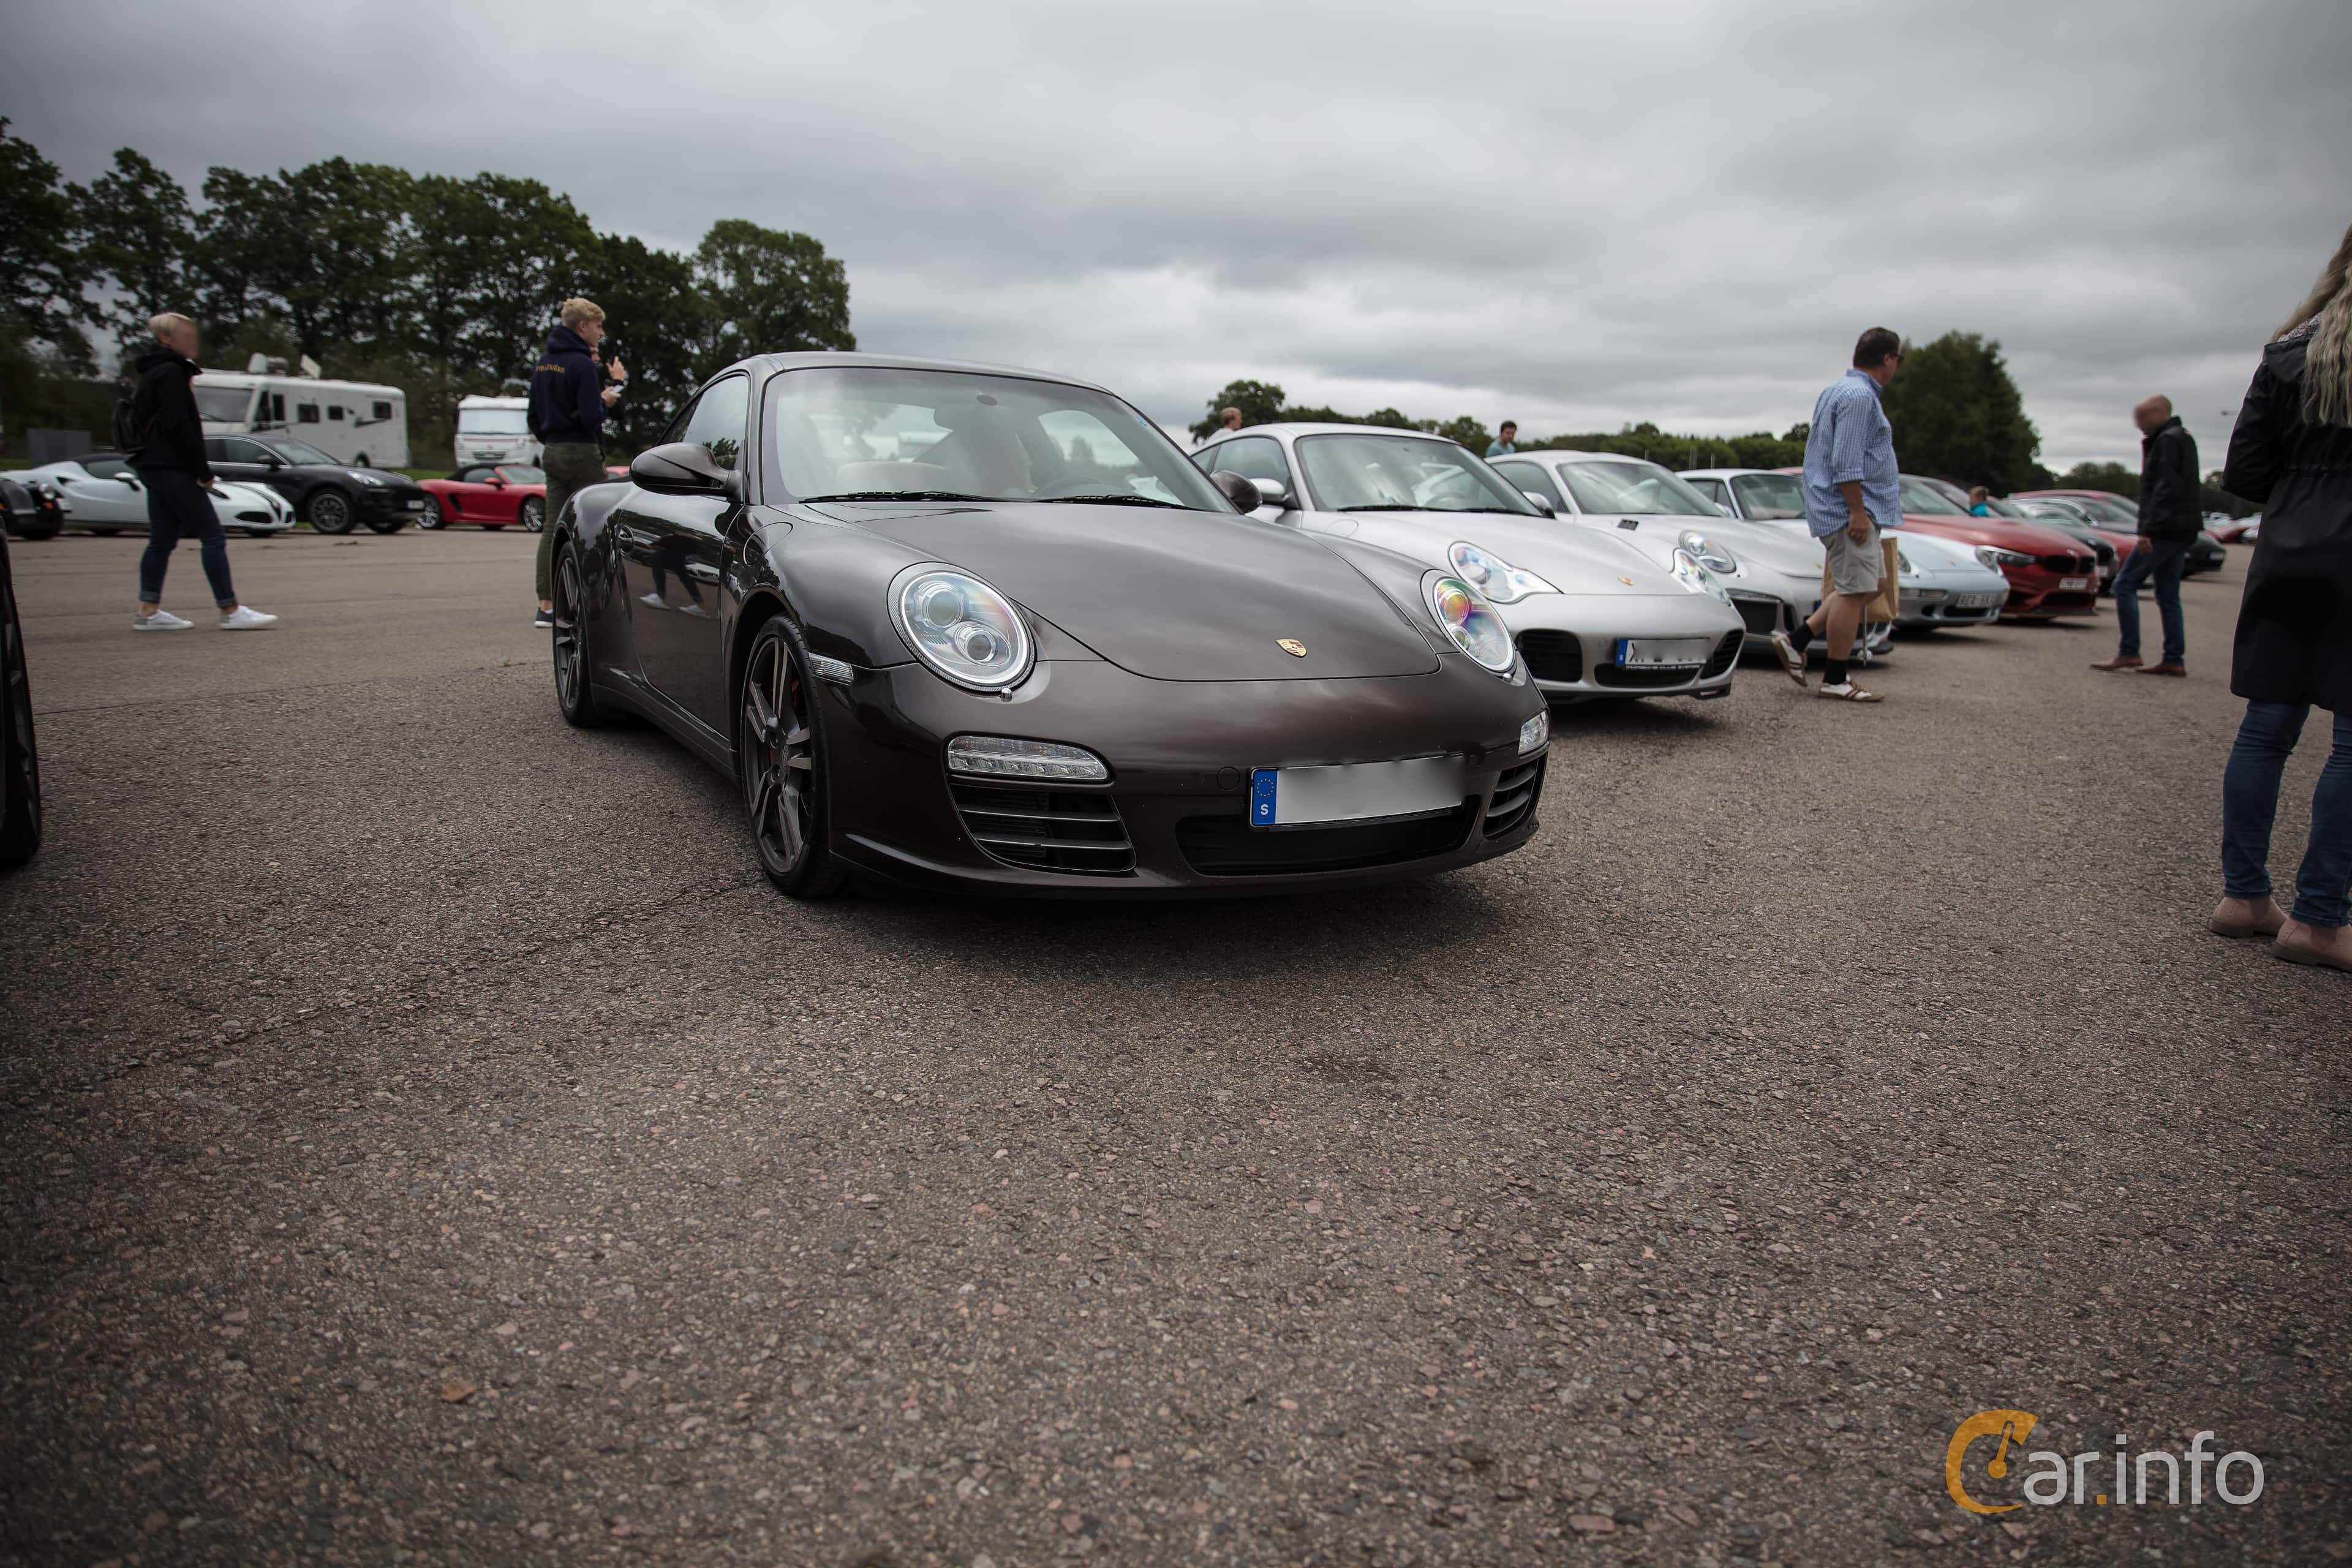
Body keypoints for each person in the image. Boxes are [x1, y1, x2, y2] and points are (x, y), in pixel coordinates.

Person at [2206, 219, 2352, 971]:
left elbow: (2247, 473)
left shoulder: (2288, 349)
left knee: (2268, 726)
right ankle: (2322, 919)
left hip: (2289, 547)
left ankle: (2245, 896)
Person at [1771, 327, 1903, 702]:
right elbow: (1846, 460)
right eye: (1898, 360)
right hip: (1849, 512)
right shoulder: (1860, 397)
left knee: (1872, 584)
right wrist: (1857, 511)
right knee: (1855, 590)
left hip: (1846, 508)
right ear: (1888, 358)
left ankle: (1797, 641)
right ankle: (1835, 678)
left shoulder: (1839, 390)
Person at [127, 313, 276, 631]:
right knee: (212, 534)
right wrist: (201, 470)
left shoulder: (153, 373)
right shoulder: (171, 373)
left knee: (162, 539)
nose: (193, 342)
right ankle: (230, 609)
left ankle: (148, 609)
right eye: (186, 336)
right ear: (166, 339)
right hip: (173, 466)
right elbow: (181, 426)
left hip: (153, 464)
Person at [527, 298, 626, 628]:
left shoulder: (543, 363)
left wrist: (553, 437)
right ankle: (595, 600)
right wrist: (606, 401)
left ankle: (546, 605)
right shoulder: (582, 364)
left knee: (551, 526)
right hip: (582, 451)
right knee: (598, 522)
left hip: (553, 450)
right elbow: (589, 416)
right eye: (598, 326)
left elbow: (534, 417)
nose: (601, 333)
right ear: (583, 326)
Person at [2091, 394, 2199, 676]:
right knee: (2168, 594)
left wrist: (2148, 530)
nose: (2137, 424)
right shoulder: (2181, 437)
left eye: (2141, 417)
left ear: (2159, 413)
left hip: (2165, 530)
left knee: (2124, 585)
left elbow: (2164, 489)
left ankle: (2129, 652)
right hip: (2182, 529)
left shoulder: (2167, 440)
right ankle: (2174, 658)